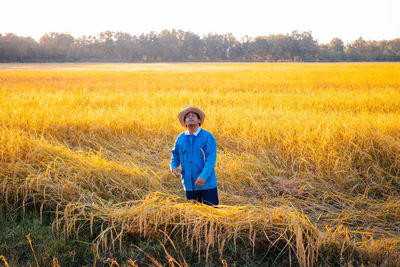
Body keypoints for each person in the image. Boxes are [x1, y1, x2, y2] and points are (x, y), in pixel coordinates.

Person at [170, 106, 219, 206]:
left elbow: (211, 159)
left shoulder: (207, 136)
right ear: (185, 122)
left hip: (207, 184)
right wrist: (173, 167)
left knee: (211, 215)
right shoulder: (181, 138)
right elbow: (175, 156)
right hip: (189, 184)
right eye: (187, 116)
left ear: (199, 120)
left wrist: (203, 177)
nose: (190, 117)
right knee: (194, 215)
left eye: (193, 116)